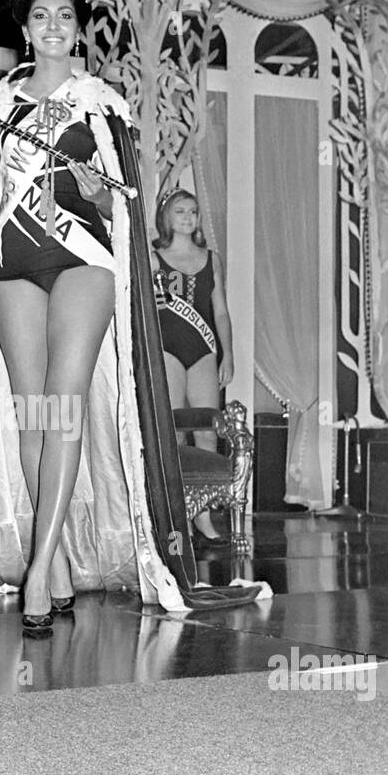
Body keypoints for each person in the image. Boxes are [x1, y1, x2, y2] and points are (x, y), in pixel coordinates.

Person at [0, 0, 211, 629]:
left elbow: (122, 203)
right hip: (14, 263)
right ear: (26, 27)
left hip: (83, 260)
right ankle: (49, 564)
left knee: (66, 405)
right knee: (36, 414)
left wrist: (96, 193)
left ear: (79, 28)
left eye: (66, 15)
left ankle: (39, 562)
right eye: (42, 14)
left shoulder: (102, 105)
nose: (53, 24)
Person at [152, 188, 234, 544]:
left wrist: (227, 355)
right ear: (167, 217)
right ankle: (172, 514)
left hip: (204, 351)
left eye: (193, 212)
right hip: (168, 350)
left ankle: (202, 514)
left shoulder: (212, 259)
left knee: (206, 432)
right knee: (171, 432)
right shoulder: (153, 258)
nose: (188, 218)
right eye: (180, 211)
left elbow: (221, 312)